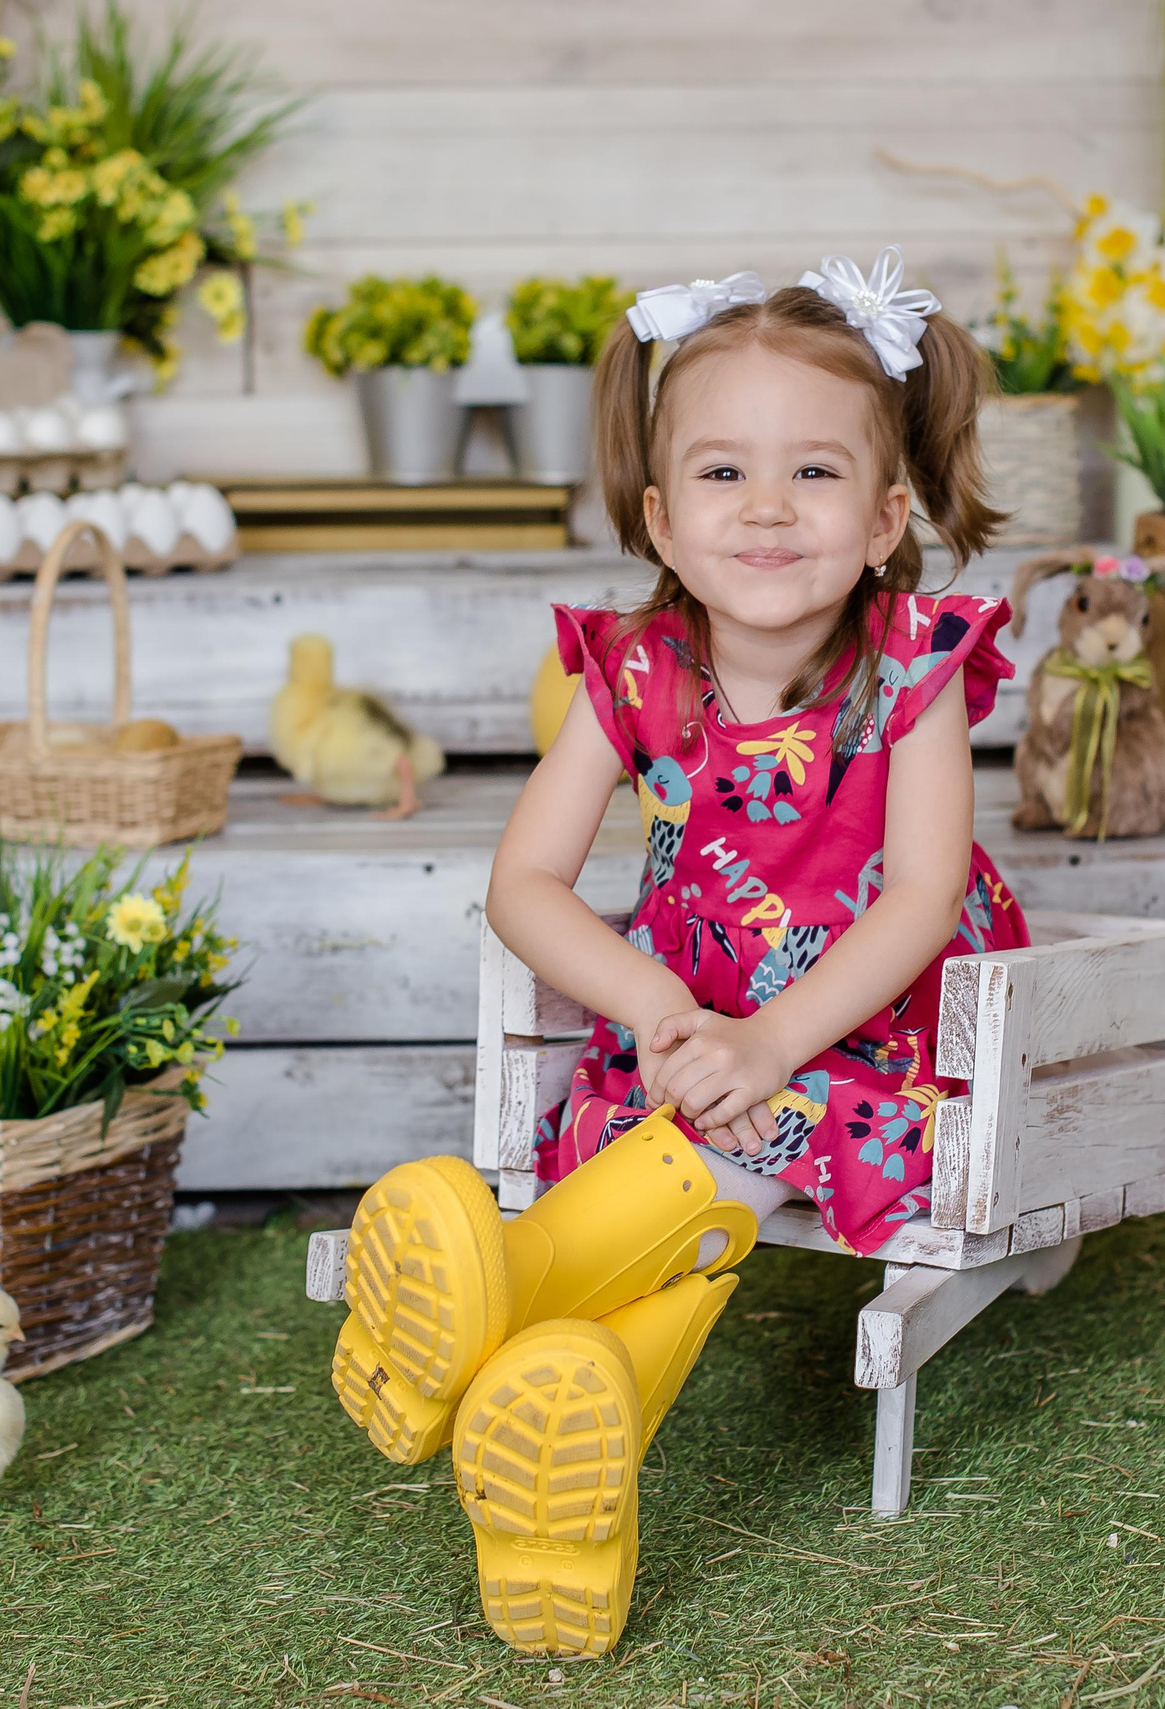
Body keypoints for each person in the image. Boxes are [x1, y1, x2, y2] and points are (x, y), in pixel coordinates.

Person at [329, 247, 1029, 1657]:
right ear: (658, 515)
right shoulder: (637, 670)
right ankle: (566, 1469)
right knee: (688, 1165)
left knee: (721, 1129)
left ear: (890, 515)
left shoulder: (914, 669)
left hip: (868, 1046)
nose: (767, 508)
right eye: (722, 474)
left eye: (817, 475)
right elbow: (523, 882)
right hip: (691, 1040)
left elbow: (918, 898)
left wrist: (769, 1037)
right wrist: (656, 999)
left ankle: (503, 1301)